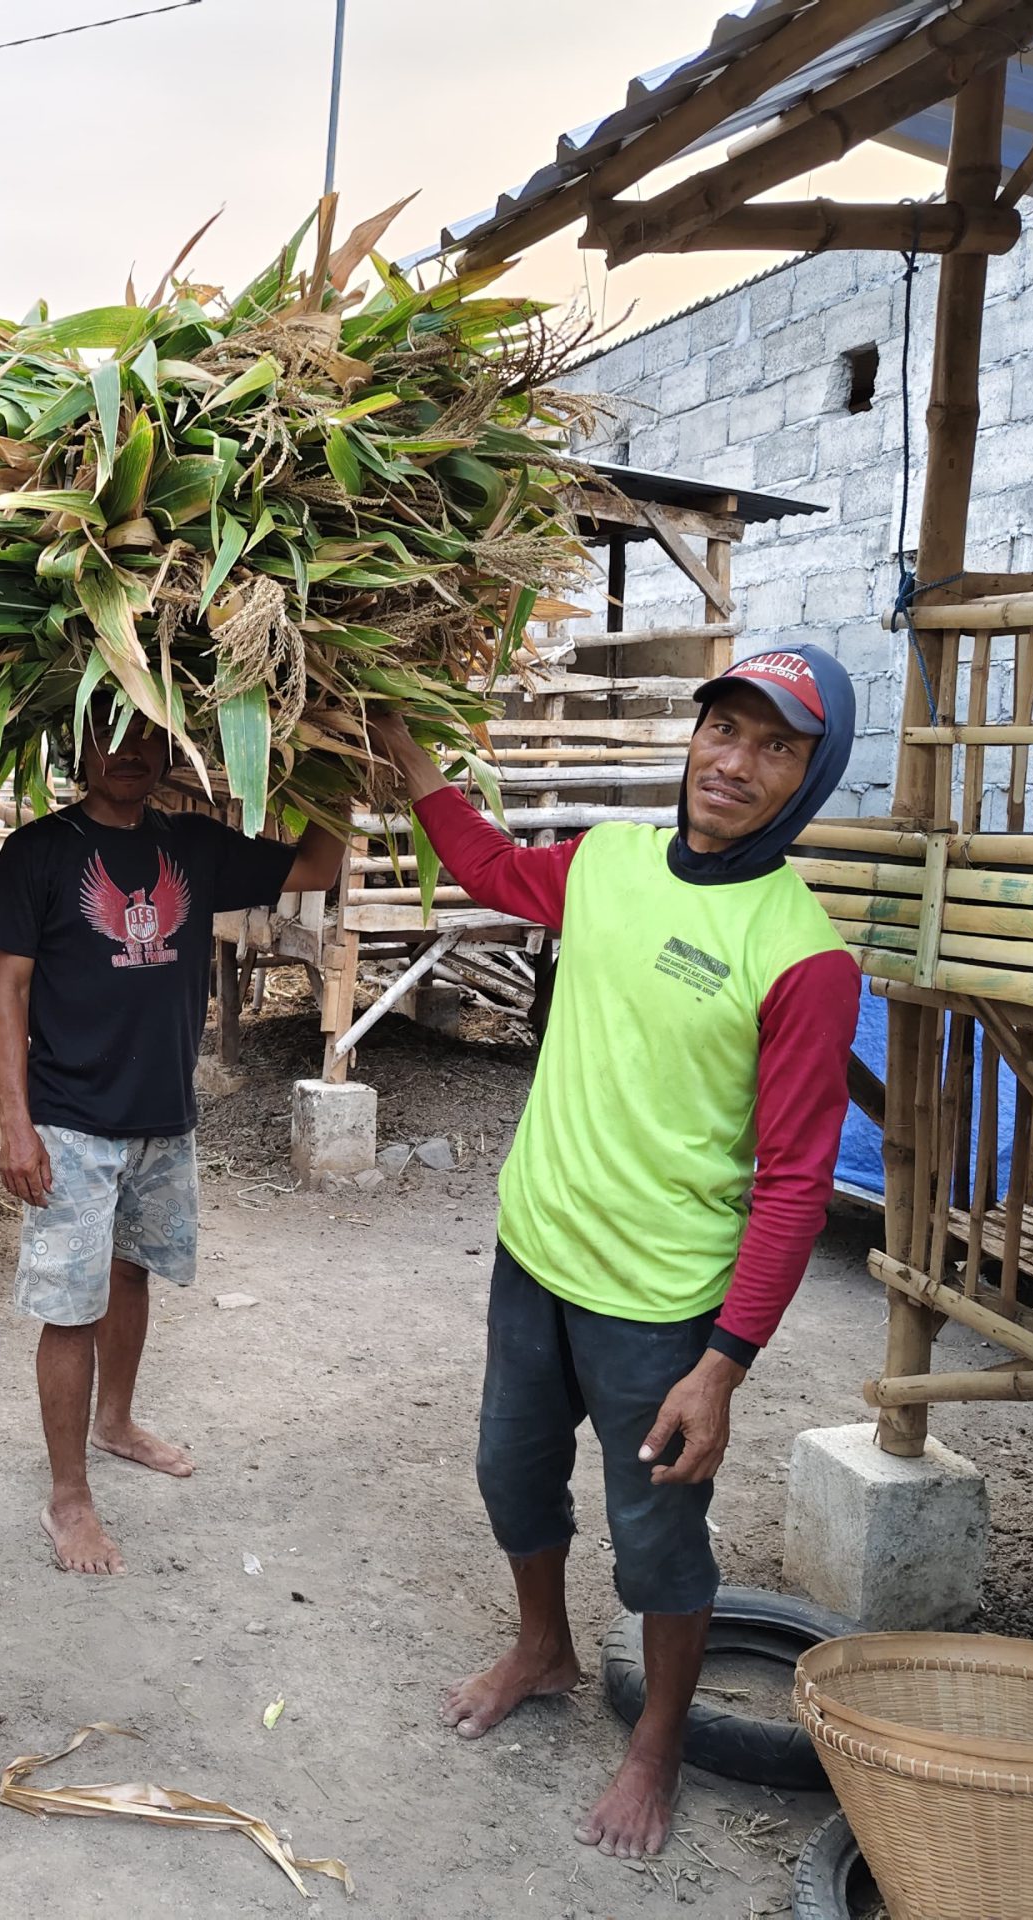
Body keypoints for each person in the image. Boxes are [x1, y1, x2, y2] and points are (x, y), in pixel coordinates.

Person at [367, 645, 860, 1861]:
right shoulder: (606, 861)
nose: (732, 763)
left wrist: (724, 1364)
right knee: (507, 1476)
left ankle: (653, 1746)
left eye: (772, 746)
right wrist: (402, 748)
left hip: (659, 1303)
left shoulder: (803, 954)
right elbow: (481, 862)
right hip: (534, 1252)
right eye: (721, 730)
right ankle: (542, 1648)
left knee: (657, 1542)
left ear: (809, 776)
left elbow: (796, 1182)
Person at [0, 708, 347, 1575]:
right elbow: (9, 993)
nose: (129, 753)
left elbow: (318, 863)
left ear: (172, 750)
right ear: (80, 746)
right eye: (110, 734)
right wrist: (14, 1123)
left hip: (162, 1117)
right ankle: (68, 1497)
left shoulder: (192, 847)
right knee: (70, 1308)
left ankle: (116, 1423)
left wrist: (339, 744)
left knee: (131, 1272)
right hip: (69, 1120)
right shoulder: (39, 853)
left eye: (148, 736)